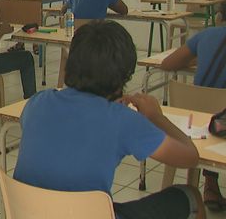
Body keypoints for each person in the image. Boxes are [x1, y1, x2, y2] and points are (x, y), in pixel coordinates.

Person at [13, 21, 204, 219]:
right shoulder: (124, 120)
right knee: (191, 197)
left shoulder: (37, 102)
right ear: (124, 76)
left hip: (31, 212)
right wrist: (156, 116)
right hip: (88, 214)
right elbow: (190, 157)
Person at [161, 26, 226, 211]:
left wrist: (201, 57)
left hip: (196, 126)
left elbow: (167, 64)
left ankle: (210, 186)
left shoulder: (207, 35)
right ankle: (211, 187)